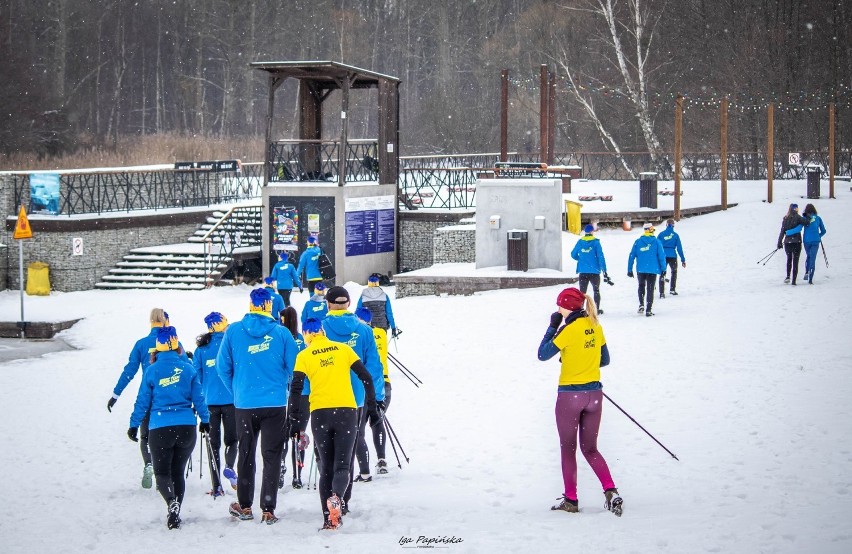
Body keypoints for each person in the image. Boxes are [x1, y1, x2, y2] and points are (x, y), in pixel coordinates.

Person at [287, 318, 381, 530]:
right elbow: (366, 377)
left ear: (306, 334)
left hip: (320, 413)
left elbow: (295, 389)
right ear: (322, 331)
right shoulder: (343, 349)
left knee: (326, 468)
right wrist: (372, 407)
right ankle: (337, 497)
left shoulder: (303, 356)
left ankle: (328, 519)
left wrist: (294, 420)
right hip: (346, 412)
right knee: (342, 465)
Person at [536, 287, 622, 517]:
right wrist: (581, 361)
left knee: (568, 449)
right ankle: (610, 491)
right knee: (591, 448)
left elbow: (543, 354)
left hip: (570, 396)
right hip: (595, 394)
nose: (557, 309)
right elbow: (604, 360)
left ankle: (571, 500)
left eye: (559, 306)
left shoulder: (568, 330)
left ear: (567, 306)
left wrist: (553, 326)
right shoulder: (595, 325)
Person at [216, 288, 299, 525]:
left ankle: (244, 506)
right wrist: (283, 386)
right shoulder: (282, 334)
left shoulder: (233, 331)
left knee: (246, 453)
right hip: (274, 403)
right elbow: (295, 369)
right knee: (272, 455)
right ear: (270, 306)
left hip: (244, 404)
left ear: (250, 304)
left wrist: (238, 391)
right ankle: (268, 509)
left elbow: (222, 368)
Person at [128, 326, 209, 529]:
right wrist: (206, 421)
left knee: (162, 472)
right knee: (178, 472)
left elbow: (143, 401)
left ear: (156, 350)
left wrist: (134, 424)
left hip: (160, 427)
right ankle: (176, 511)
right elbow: (199, 398)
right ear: (177, 348)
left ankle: (171, 503)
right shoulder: (188, 368)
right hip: (186, 427)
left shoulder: (152, 371)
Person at [108, 308, 189, 488]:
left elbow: (129, 371)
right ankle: (167, 470)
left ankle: (149, 463)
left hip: (149, 394)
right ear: (166, 321)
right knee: (169, 433)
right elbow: (187, 369)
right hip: (171, 396)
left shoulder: (142, 344)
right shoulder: (175, 343)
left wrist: (116, 394)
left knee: (145, 436)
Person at [321, 286, 385, 509]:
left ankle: (328, 494)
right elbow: (374, 368)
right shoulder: (364, 330)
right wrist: (377, 397)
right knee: (347, 452)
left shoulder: (320, 329)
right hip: (354, 399)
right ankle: (342, 499)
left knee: (325, 452)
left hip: (324, 397)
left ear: (327, 304)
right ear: (348, 304)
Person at [193, 312, 237, 497]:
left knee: (213, 445)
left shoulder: (201, 349)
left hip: (209, 403)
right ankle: (229, 465)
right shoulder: (231, 344)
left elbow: (196, 378)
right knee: (232, 440)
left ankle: (217, 486)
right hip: (231, 401)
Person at [355, 307, 391, 475]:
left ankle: (364, 469)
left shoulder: (359, 335)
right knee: (377, 422)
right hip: (383, 383)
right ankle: (381, 458)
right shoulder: (380, 334)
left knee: (359, 429)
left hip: (363, 388)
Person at [279, 306, 310, 489]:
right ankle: (297, 474)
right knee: (299, 433)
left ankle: (281, 464)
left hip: (284, 393)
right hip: (303, 394)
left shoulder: (280, 339)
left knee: (282, 434)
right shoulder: (301, 340)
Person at [627, 223, 666, 317]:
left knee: (641, 286)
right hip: (652, 269)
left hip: (641, 269)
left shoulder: (638, 242)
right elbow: (661, 256)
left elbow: (632, 256)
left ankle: (641, 304)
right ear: (651, 230)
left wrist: (629, 269)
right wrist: (663, 269)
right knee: (650, 289)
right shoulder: (657, 242)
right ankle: (648, 310)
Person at [570, 224, 609, 314]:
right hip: (594, 271)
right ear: (592, 232)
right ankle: (596, 309)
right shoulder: (596, 242)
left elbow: (573, 254)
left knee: (582, 293)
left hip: (583, 271)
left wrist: (580, 259)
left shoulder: (580, 242)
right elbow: (600, 257)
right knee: (596, 290)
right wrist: (604, 270)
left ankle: (580, 309)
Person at [777, 203, 810, 285]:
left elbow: (782, 231)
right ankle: (794, 280)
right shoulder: (798, 217)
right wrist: (807, 216)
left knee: (789, 259)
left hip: (787, 242)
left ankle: (788, 276)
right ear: (796, 209)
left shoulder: (785, 218)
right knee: (796, 260)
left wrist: (779, 242)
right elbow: (807, 222)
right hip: (797, 242)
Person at [795, 204, 827, 285]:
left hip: (807, 240)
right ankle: (810, 278)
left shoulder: (805, 218)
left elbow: (799, 228)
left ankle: (806, 271)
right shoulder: (818, 218)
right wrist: (818, 235)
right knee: (813, 258)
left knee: (809, 256)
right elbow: (823, 231)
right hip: (816, 240)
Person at [656, 219, 686, 297]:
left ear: (666, 225)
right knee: (674, 272)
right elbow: (679, 248)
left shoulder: (661, 234)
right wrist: (683, 259)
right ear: (673, 225)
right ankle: (672, 289)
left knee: (662, 273)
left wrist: (656, 257)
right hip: (672, 255)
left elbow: (656, 246)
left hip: (663, 255)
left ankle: (662, 292)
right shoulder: (675, 235)